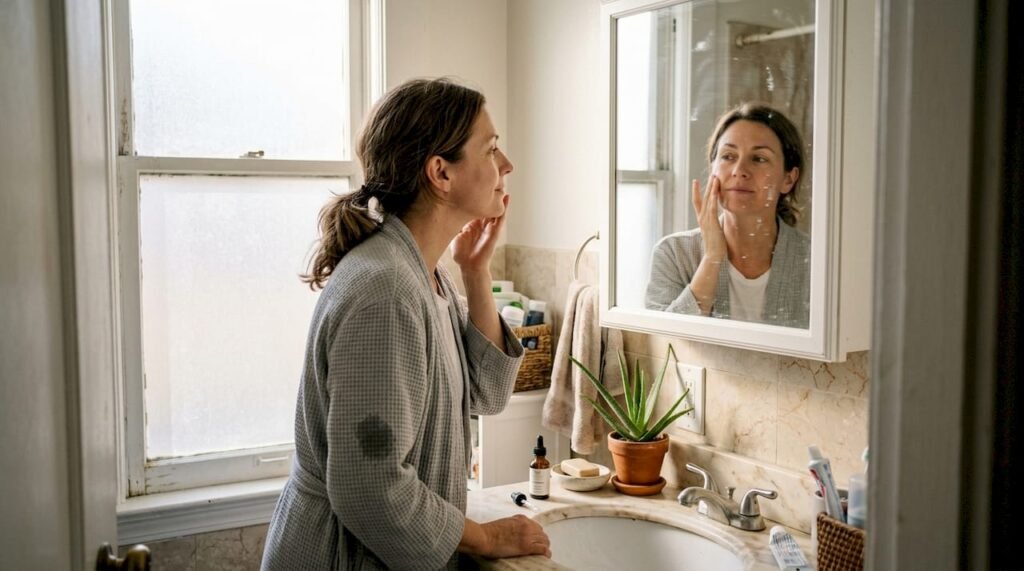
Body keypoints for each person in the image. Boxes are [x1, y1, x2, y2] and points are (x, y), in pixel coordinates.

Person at [261, 78, 551, 570]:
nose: (506, 165)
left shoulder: (425, 272)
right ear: (441, 172)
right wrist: (485, 538)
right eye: (492, 148)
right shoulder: (387, 291)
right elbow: (367, 487)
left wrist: (476, 272)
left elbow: (486, 394)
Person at [644, 103, 811, 328]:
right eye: (728, 156)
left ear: (788, 179)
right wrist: (712, 255)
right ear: (713, 169)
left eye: (759, 158)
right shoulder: (673, 254)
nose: (739, 170)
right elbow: (664, 342)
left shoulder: (814, 260)